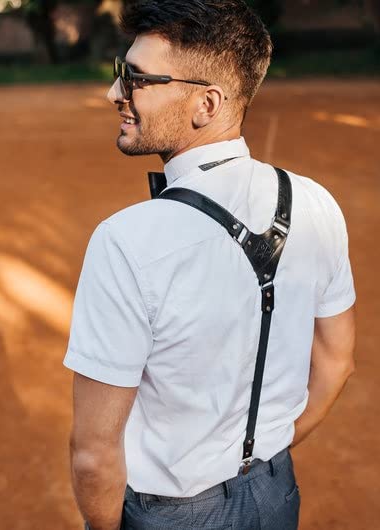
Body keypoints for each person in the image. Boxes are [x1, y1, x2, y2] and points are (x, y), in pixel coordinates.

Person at [63, 1, 357, 529]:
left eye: (135, 79)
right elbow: (337, 363)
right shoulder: (315, 203)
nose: (114, 93)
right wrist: (265, 456)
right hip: (275, 495)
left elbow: (94, 454)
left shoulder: (126, 241)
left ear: (207, 103)